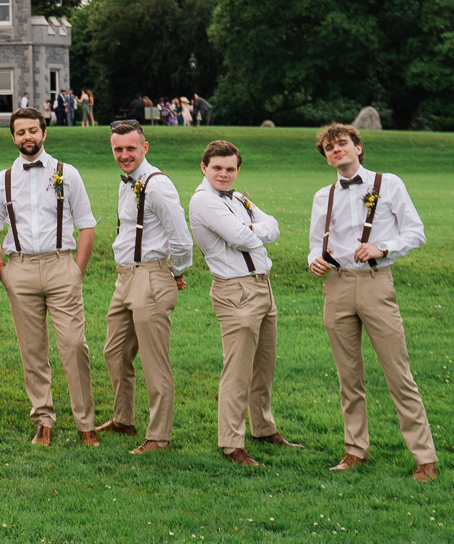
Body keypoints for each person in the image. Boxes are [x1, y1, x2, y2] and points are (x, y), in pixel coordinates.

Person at [309, 123, 438, 482]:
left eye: (342, 144)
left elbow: (416, 232)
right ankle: (355, 450)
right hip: (336, 286)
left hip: (376, 283)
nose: (337, 151)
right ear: (326, 157)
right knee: (348, 376)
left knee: (398, 373)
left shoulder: (389, 184)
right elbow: (314, 244)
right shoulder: (324, 195)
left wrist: (383, 248)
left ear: (358, 147)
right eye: (330, 148)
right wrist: (313, 260)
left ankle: (424, 457)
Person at [0, 107, 99, 447]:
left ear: (44, 133)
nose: (28, 137)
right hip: (19, 269)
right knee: (32, 351)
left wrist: (76, 270)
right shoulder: (2, 180)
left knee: (74, 346)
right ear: (13, 137)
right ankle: (43, 421)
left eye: (33, 130)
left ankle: (86, 423)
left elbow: (87, 225)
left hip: (61, 267)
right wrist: (3, 271)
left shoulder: (68, 174)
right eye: (21, 132)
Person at [188, 140, 303, 466]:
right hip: (235, 291)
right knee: (237, 370)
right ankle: (230, 443)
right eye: (217, 168)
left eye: (230, 169)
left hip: (262, 288)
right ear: (203, 168)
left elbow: (274, 227)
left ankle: (264, 428)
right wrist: (253, 230)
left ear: (238, 170)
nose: (224, 175)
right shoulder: (203, 202)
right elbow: (240, 238)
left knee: (263, 366)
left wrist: (250, 228)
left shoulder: (238, 198)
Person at [95, 120, 191, 454]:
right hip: (125, 278)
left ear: (145, 148)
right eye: (118, 149)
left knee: (154, 361)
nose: (124, 155)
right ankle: (123, 420)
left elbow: (181, 238)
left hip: (150, 277)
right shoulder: (128, 183)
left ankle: (159, 437)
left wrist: (174, 271)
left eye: (130, 148)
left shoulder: (158, 185)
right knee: (114, 351)